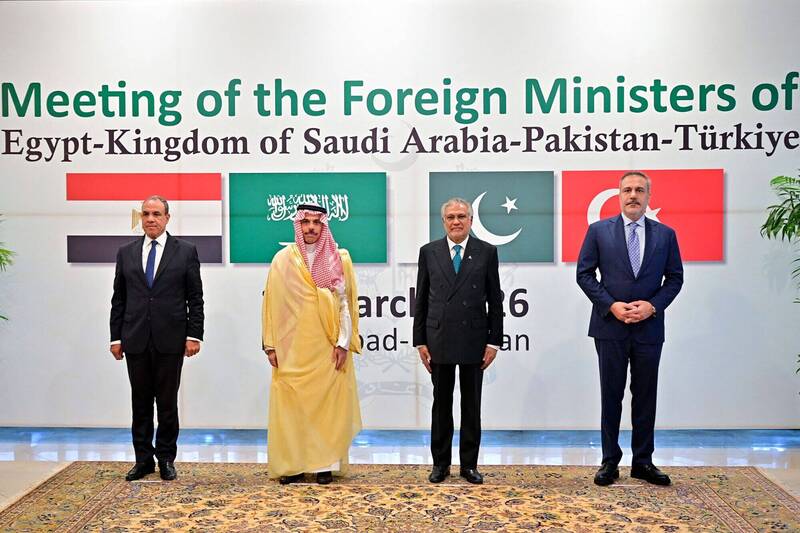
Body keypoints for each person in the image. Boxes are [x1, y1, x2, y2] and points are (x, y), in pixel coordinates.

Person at [576, 171, 683, 487]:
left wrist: (653, 306)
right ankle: (609, 461)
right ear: (619, 195)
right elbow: (584, 274)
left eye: (639, 190)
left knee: (645, 396)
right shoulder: (598, 231)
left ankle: (643, 462)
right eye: (627, 190)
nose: (633, 195)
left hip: (649, 328)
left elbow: (675, 278)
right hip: (610, 327)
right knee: (611, 395)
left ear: (649, 196)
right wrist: (610, 305)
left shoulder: (666, 235)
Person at [261, 204, 362, 485]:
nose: (311, 228)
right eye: (305, 222)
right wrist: (271, 345)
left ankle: (324, 465)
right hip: (292, 348)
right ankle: (292, 465)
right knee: (292, 408)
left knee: (327, 408)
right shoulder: (283, 260)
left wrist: (343, 343)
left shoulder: (338, 259)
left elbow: (345, 304)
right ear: (298, 225)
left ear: (324, 226)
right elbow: (272, 305)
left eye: (317, 222)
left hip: (327, 345)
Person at [109, 195, 204, 481]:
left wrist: (194, 335)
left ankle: (165, 459)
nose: (150, 219)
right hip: (135, 338)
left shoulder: (185, 251)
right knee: (140, 404)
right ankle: (143, 460)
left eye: (156, 214)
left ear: (167, 218)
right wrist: (116, 338)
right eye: (146, 214)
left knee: (167, 404)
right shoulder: (126, 252)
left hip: (171, 340)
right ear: (141, 218)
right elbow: (119, 298)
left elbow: (195, 298)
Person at [413, 197, 503, 485]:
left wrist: (494, 342)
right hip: (437, 339)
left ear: (471, 220)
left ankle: (469, 465)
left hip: (474, 340)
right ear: (443, 222)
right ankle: (440, 464)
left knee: (471, 406)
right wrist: (419, 341)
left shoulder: (486, 252)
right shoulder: (429, 252)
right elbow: (421, 300)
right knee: (441, 405)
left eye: (461, 216)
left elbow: (495, 300)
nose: (456, 222)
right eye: (450, 217)